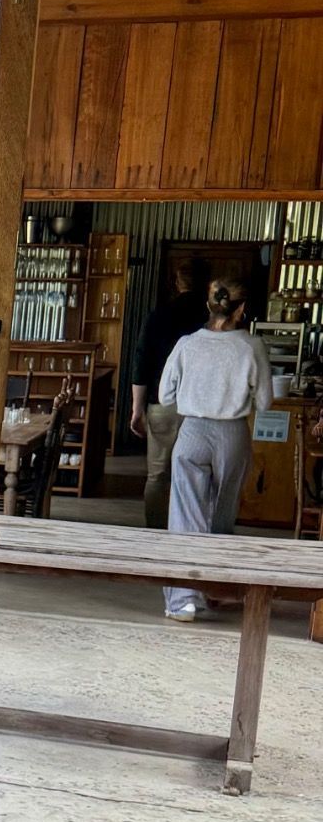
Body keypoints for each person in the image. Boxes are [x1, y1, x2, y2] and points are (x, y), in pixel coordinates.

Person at [158, 276, 272, 621]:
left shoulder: (186, 344)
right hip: (232, 436)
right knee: (221, 518)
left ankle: (182, 601)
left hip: (192, 432)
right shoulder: (252, 346)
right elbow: (265, 401)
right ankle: (214, 588)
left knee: (185, 516)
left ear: (209, 305)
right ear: (242, 309)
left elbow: (164, 395)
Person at [130, 252, 210, 528]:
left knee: (157, 474)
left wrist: (136, 409)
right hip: (201, 408)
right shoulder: (212, 319)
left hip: (162, 404)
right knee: (195, 472)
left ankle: (155, 531)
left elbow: (141, 362)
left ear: (177, 283)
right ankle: (189, 531)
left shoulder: (159, 316)